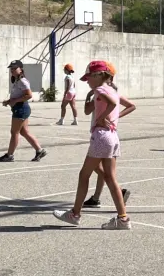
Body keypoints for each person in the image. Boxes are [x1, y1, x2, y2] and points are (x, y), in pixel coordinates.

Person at [54, 60, 137, 230]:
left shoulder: (100, 89)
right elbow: (127, 106)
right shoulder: (110, 90)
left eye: (89, 78)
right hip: (112, 136)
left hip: (101, 136)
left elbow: (111, 104)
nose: (87, 81)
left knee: (84, 174)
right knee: (110, 177)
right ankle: (123, 218)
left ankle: (75, 214)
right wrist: (112, 117)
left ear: (98, 75)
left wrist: (103, 117)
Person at [0, 59, 46, 162]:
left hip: (21, 109)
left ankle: (9, 155)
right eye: (11, 68)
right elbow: (18, 95)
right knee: (24, 132)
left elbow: (29, 95)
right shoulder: (17, 81)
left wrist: (15, 101)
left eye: (15, 68)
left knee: (14, 132)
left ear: (20, 69)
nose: (12, 70)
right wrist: (9, 101)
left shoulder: (22, 81)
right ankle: (39, 150)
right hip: (20, 108)